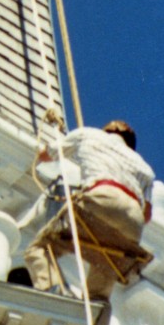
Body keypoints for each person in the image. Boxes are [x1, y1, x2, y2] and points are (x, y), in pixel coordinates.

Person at [22, 120, 154, 301]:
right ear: (130, 144)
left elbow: (47, 154)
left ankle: (55, 293)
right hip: (132, 223)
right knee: (104, 274)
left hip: (101, 199)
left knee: (39, 249)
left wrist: (42, 148)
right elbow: (146, 215)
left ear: (107, 130)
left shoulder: (88, 134)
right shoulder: (144, 167)